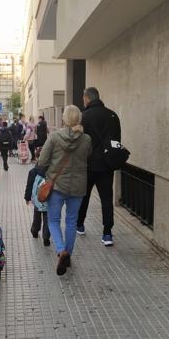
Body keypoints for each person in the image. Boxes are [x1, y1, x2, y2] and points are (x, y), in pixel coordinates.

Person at [38, 105, 92, 276]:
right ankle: (68, 253)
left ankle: (61, 251)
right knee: (71, 221)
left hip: (57, 186)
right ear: (79, 119)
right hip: (78, 187)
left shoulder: (54, 137)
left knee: (53, 220)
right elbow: (87, 156)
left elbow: (42, 160)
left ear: (64, 119)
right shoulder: (87, 139)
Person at [76, 87, 121, 247]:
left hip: (88, 165)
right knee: (107, 199)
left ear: (87, 98)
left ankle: (79, 225)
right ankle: (107, 233)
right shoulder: (113, 116)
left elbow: (79, 142)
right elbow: (116, 142)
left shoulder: (84, 116)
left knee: (84, 196)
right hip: (107, 165)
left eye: (83, 98)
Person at [24, 165, 50, 246]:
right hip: (48, 199)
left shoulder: (34, 171)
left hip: (38, 199)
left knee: (37, 216)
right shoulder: (52, 170)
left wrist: (27, 198)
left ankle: (34, 231)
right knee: (47, 218)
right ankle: (46, 238)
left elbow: (29, 185)